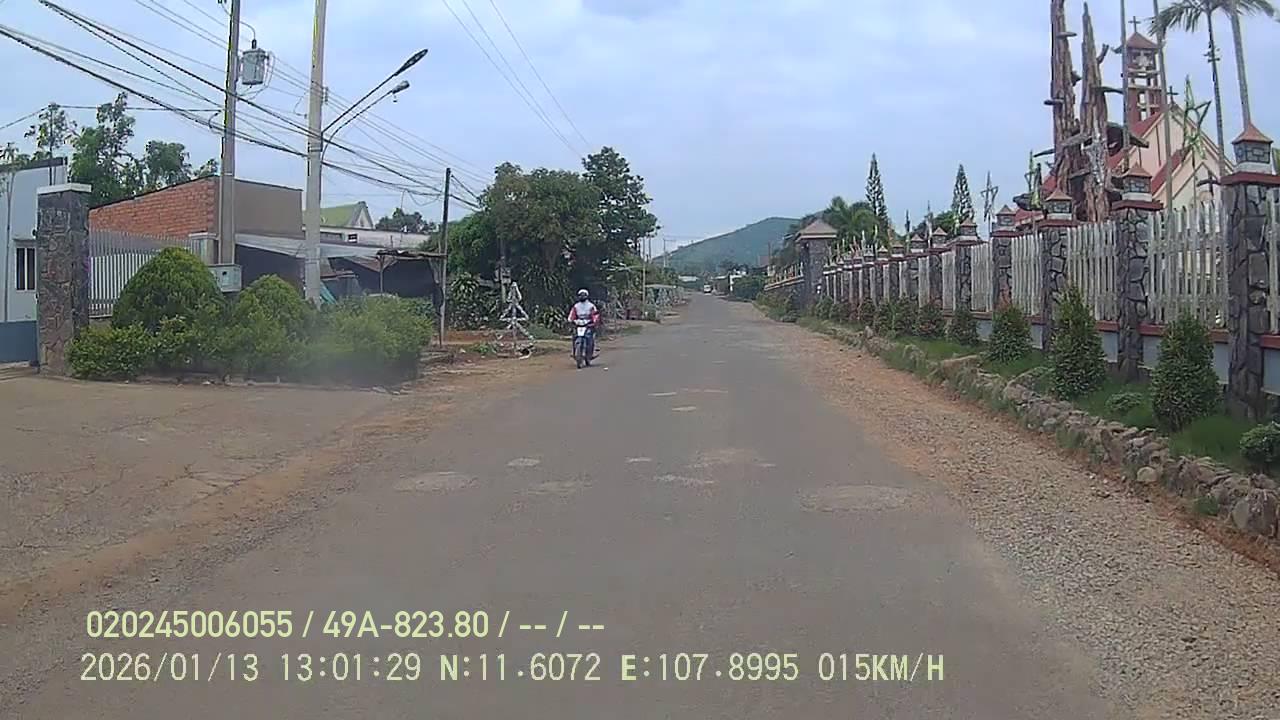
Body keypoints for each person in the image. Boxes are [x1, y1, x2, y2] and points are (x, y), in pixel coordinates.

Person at [568, 288, 601, 359]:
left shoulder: (591, 306)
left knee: (589, 337)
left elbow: (595, 315)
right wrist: (571, 320)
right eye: (580, 295)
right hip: (578, 323)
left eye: (583, 295)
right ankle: (574, 351)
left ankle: (590, 353)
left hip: (588, 324)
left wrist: (594, 321)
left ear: (587, 296)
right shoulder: (576, 306)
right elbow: (572, 314)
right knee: (574, 336)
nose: (582, 297)